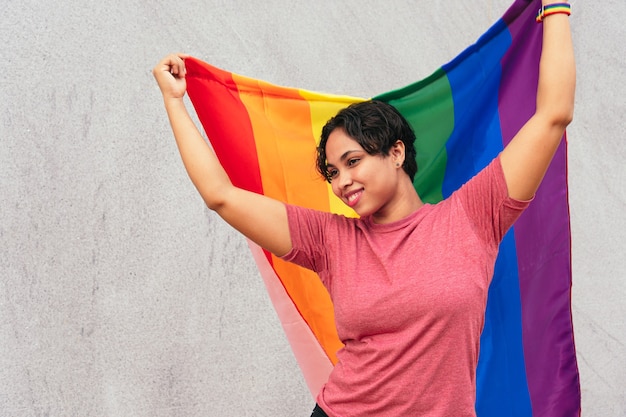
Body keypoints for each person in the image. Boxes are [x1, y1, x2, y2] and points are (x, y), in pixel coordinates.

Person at [152, 0, 574, 415]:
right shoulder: (329, 240)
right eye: (333, 173)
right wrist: (175, 101)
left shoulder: (472, 216)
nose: (343, 182)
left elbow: (553, 114)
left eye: (353, 162)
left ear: (395, 152)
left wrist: (556, 7)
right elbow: (220, 195)